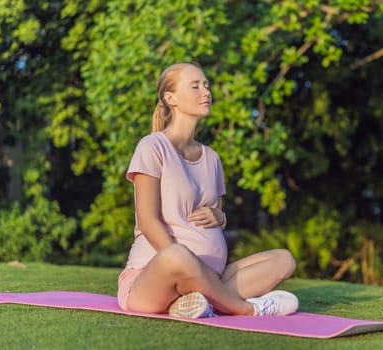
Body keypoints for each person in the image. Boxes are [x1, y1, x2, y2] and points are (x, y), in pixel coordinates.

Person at [117, 62, 298, 318]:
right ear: (171, 98)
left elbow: (218, 216)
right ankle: (249, 309)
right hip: (152, 278)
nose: (206, 92)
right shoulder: (152, 146)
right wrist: (190, 265)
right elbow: (147, 221)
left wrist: (220, 216)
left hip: (212, 277)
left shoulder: (212, 158)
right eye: (195, 86)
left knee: (283, 260)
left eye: (206, 85)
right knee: (177, 255)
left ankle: (195, 302)